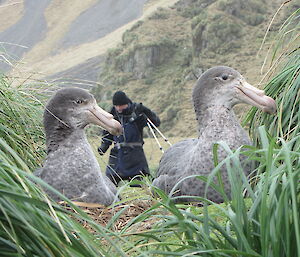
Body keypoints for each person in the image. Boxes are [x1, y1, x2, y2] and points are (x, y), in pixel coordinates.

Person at [98, 91, 161, 186]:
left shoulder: (137, 112)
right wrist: (104, 146)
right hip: (117, 155)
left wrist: (147, 112)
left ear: (127, 103)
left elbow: (156, 123)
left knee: (136, 185)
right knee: (109, 183)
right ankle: (114, 200)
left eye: (121, 105)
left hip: (135, 155)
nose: (119, 108)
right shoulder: (112, 115)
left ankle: (138, 200)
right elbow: (108, 132)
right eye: (116, 106)